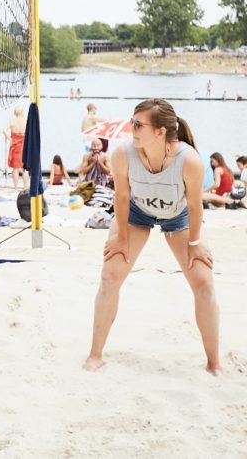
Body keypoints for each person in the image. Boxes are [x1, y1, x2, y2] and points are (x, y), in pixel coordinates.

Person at [84, 98, 220, 374]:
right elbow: (121, 196)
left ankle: (213, 364)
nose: (130, 128)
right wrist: (121, 236)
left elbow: (195, 206)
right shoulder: (124, 153)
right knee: (110, 275)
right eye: (132, 122)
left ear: (161, 132)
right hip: (136, 213)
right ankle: (95, 355)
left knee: (204, 284)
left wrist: (195, 243)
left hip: (179, 216)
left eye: (138, 124)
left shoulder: (189, 159)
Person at [3, 105, 28, 189]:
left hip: (15, 144)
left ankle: (16, 187)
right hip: (24, 144)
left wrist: (9, 138)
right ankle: (25, 187)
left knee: (15, 168)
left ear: (15, 112)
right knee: (24, 167)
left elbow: (4, 130)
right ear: (22, 112)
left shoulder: (12, 121)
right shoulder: (25, 121)